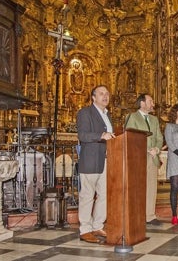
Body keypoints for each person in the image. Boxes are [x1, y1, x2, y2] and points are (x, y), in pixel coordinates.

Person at [76, 85, 115, 243]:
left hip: (106, 160)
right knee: (87, 196)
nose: (105, 96)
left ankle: (97, 225)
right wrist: (102, 135)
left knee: (104, 195)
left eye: (107, 93)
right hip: (91, 160)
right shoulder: (85, 113)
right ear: (93, 97)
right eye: (101, 94)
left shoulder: (107, 115)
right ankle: (85, 229)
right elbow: (83, 135)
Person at [124, 93, 164, 226]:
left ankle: (150, 216)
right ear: (142, 103)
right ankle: (137, 214)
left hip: (153, 157)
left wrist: (157, 149)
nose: (153, 103)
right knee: (137, 187)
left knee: (151, 187)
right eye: (150, 101)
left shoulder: (154, 119)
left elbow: (159, 138)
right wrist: (144, 149)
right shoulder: (132, 117)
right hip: (138, 157)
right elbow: (129, 136)